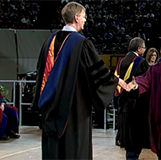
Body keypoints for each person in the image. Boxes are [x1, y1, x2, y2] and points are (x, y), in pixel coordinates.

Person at [31, 2, 118, 160]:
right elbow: (98, 75)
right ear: (76, 17)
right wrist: (115, 81)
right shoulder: (81, 44)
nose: (86, 20)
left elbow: (40, 76)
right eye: (84, 16)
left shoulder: (47, 43)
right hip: (74, 110)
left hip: (50, 110)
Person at [114, 37, 150, 160]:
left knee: (127, 137)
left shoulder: (121, 61)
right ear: (139, 48)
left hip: (122, 103)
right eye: (144, 47)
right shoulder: (141, 61)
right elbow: (146, 83)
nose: (145, 50)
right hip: (136, 106)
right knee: (136, 137)